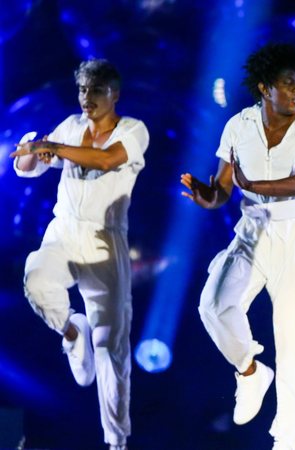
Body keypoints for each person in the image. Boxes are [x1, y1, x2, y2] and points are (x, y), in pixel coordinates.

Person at [180, 43, 295, 450]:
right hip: (252, 229)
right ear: (265, 88)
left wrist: (253, 185)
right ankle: (249, 372)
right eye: (288, 85)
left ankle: (288, 441)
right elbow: (223, 189)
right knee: (213, 304)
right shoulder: (238, 126)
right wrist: (205, 195)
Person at [11, 59, 149, 450]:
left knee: (111, 348)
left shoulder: (133, 130)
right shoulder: (70, 127)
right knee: (36, 278)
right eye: (82, 90)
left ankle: (116, 441)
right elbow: (31, 166)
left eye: (95, 91)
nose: (86, 98)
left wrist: (54, 148)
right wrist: (31, 151)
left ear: (114, 95)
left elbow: (107, 160)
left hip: (104, 242)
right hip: (64, 230)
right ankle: (72, 332)